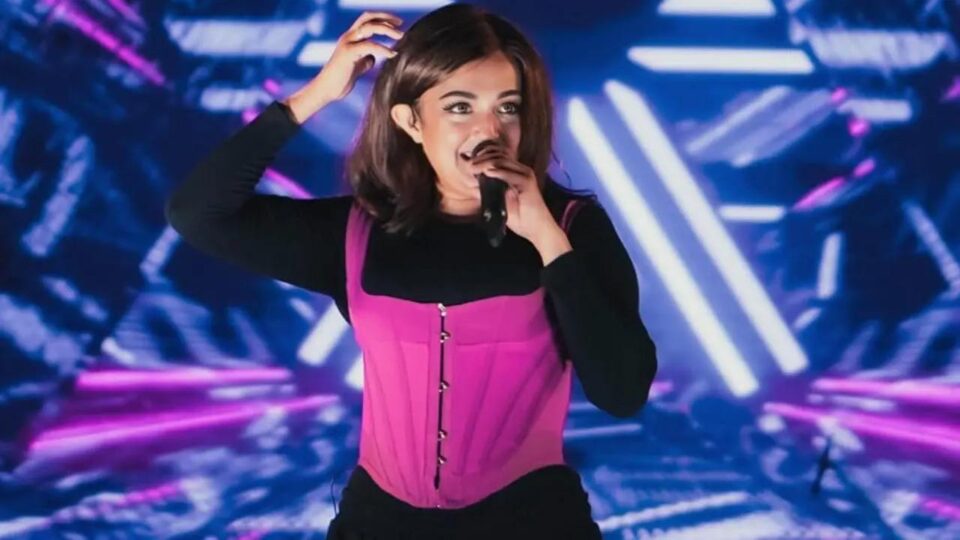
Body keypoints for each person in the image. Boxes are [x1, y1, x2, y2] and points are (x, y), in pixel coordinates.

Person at [165, 4, 657, 538]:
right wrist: (319, 93)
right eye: (460, 107)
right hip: (378, 524)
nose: (488, 129)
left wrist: (548, 242)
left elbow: (622, 392)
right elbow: (197, 214)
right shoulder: (354, 232)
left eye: (508, 107)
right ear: (411, 122)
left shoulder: (570, 227)